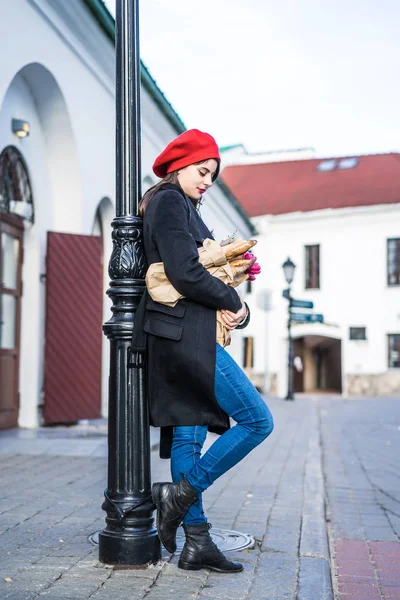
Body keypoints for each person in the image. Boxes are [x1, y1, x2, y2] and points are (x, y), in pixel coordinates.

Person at [134, 129, 274, 573]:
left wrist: (235, 302)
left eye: (213, 174)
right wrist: (235, 301)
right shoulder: (169, 200)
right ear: (179, 165)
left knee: (189, 434)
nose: (207, 180)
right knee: (256, 419)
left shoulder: (179, 204)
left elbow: (195, 272)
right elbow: (184, 269)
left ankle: (196, 540)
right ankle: (179, 493)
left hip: (183, 332)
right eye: (202, 170)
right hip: (184, 335)